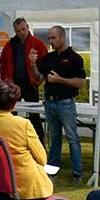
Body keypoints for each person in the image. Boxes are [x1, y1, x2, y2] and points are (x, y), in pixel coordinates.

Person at [30, 25, 86, 184]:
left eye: (53, 38)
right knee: (54, 138)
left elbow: (81, 83)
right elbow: (39, 79)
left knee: (72, 138)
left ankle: (77, 172)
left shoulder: (74, 58)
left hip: (66, 103)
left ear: (62, 37)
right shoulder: (49, 58)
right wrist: (33, 64)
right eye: (49, 38)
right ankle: (52, 170)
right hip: (50, 102)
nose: (50, 41)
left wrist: (60, 80)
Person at [0, 18, 47, 142]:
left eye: (23, 29)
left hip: (30, 84)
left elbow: (44, 64)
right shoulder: (10, 44)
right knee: (10, 115)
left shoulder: (38, 43)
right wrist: (6, 80)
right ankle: (11, 141)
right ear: (14, 30)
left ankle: (39, 142)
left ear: (28, 27)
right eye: (18, 30)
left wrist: (37, 82)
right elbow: (3, 62)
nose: (21, 32)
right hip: (13, 84)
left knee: (34, 116)